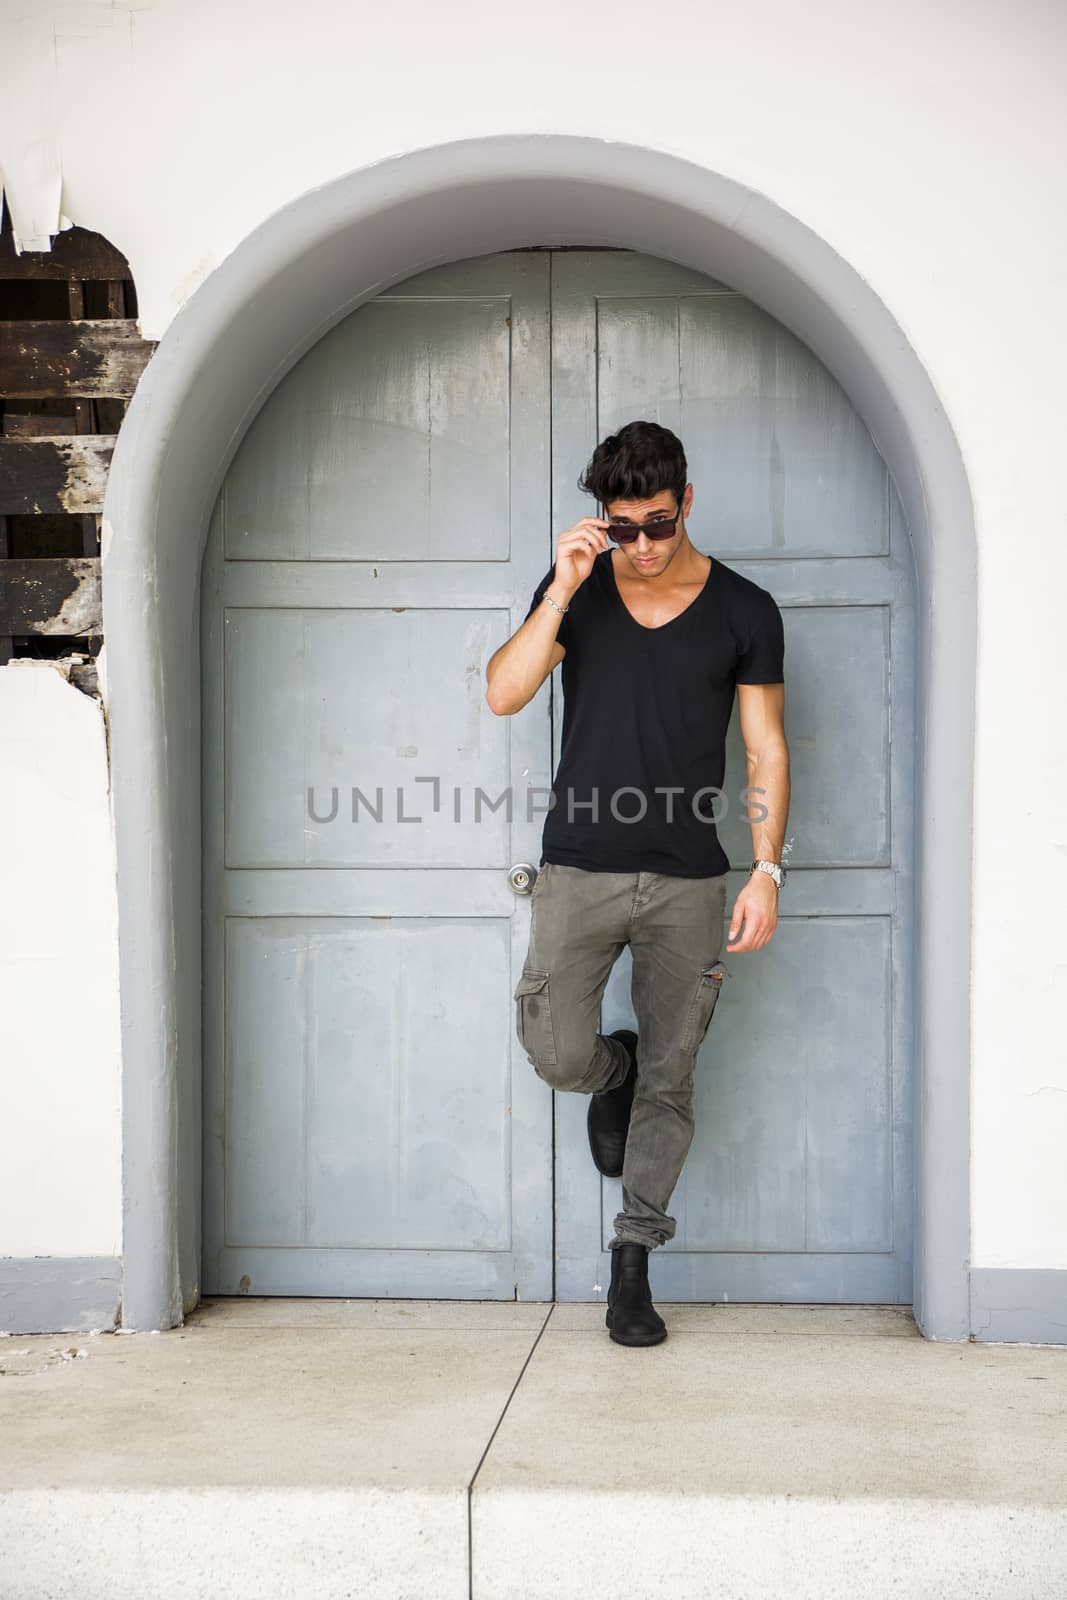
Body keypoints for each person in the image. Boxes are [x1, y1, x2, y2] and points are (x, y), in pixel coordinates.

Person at [484, 420, 790, 1347]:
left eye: (659, 523)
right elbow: (503, 692)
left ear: (686, 501)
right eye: (625, 528)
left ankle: (632, 1264)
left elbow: (764, 747)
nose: (645, 546)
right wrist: (562, 590)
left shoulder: (744, 610)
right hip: (578, 864)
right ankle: (610, 1064)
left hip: (689, 881)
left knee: (674, 1076)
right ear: (602, 521)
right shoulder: (574, 589)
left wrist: (766, 870)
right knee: (559, 1054)